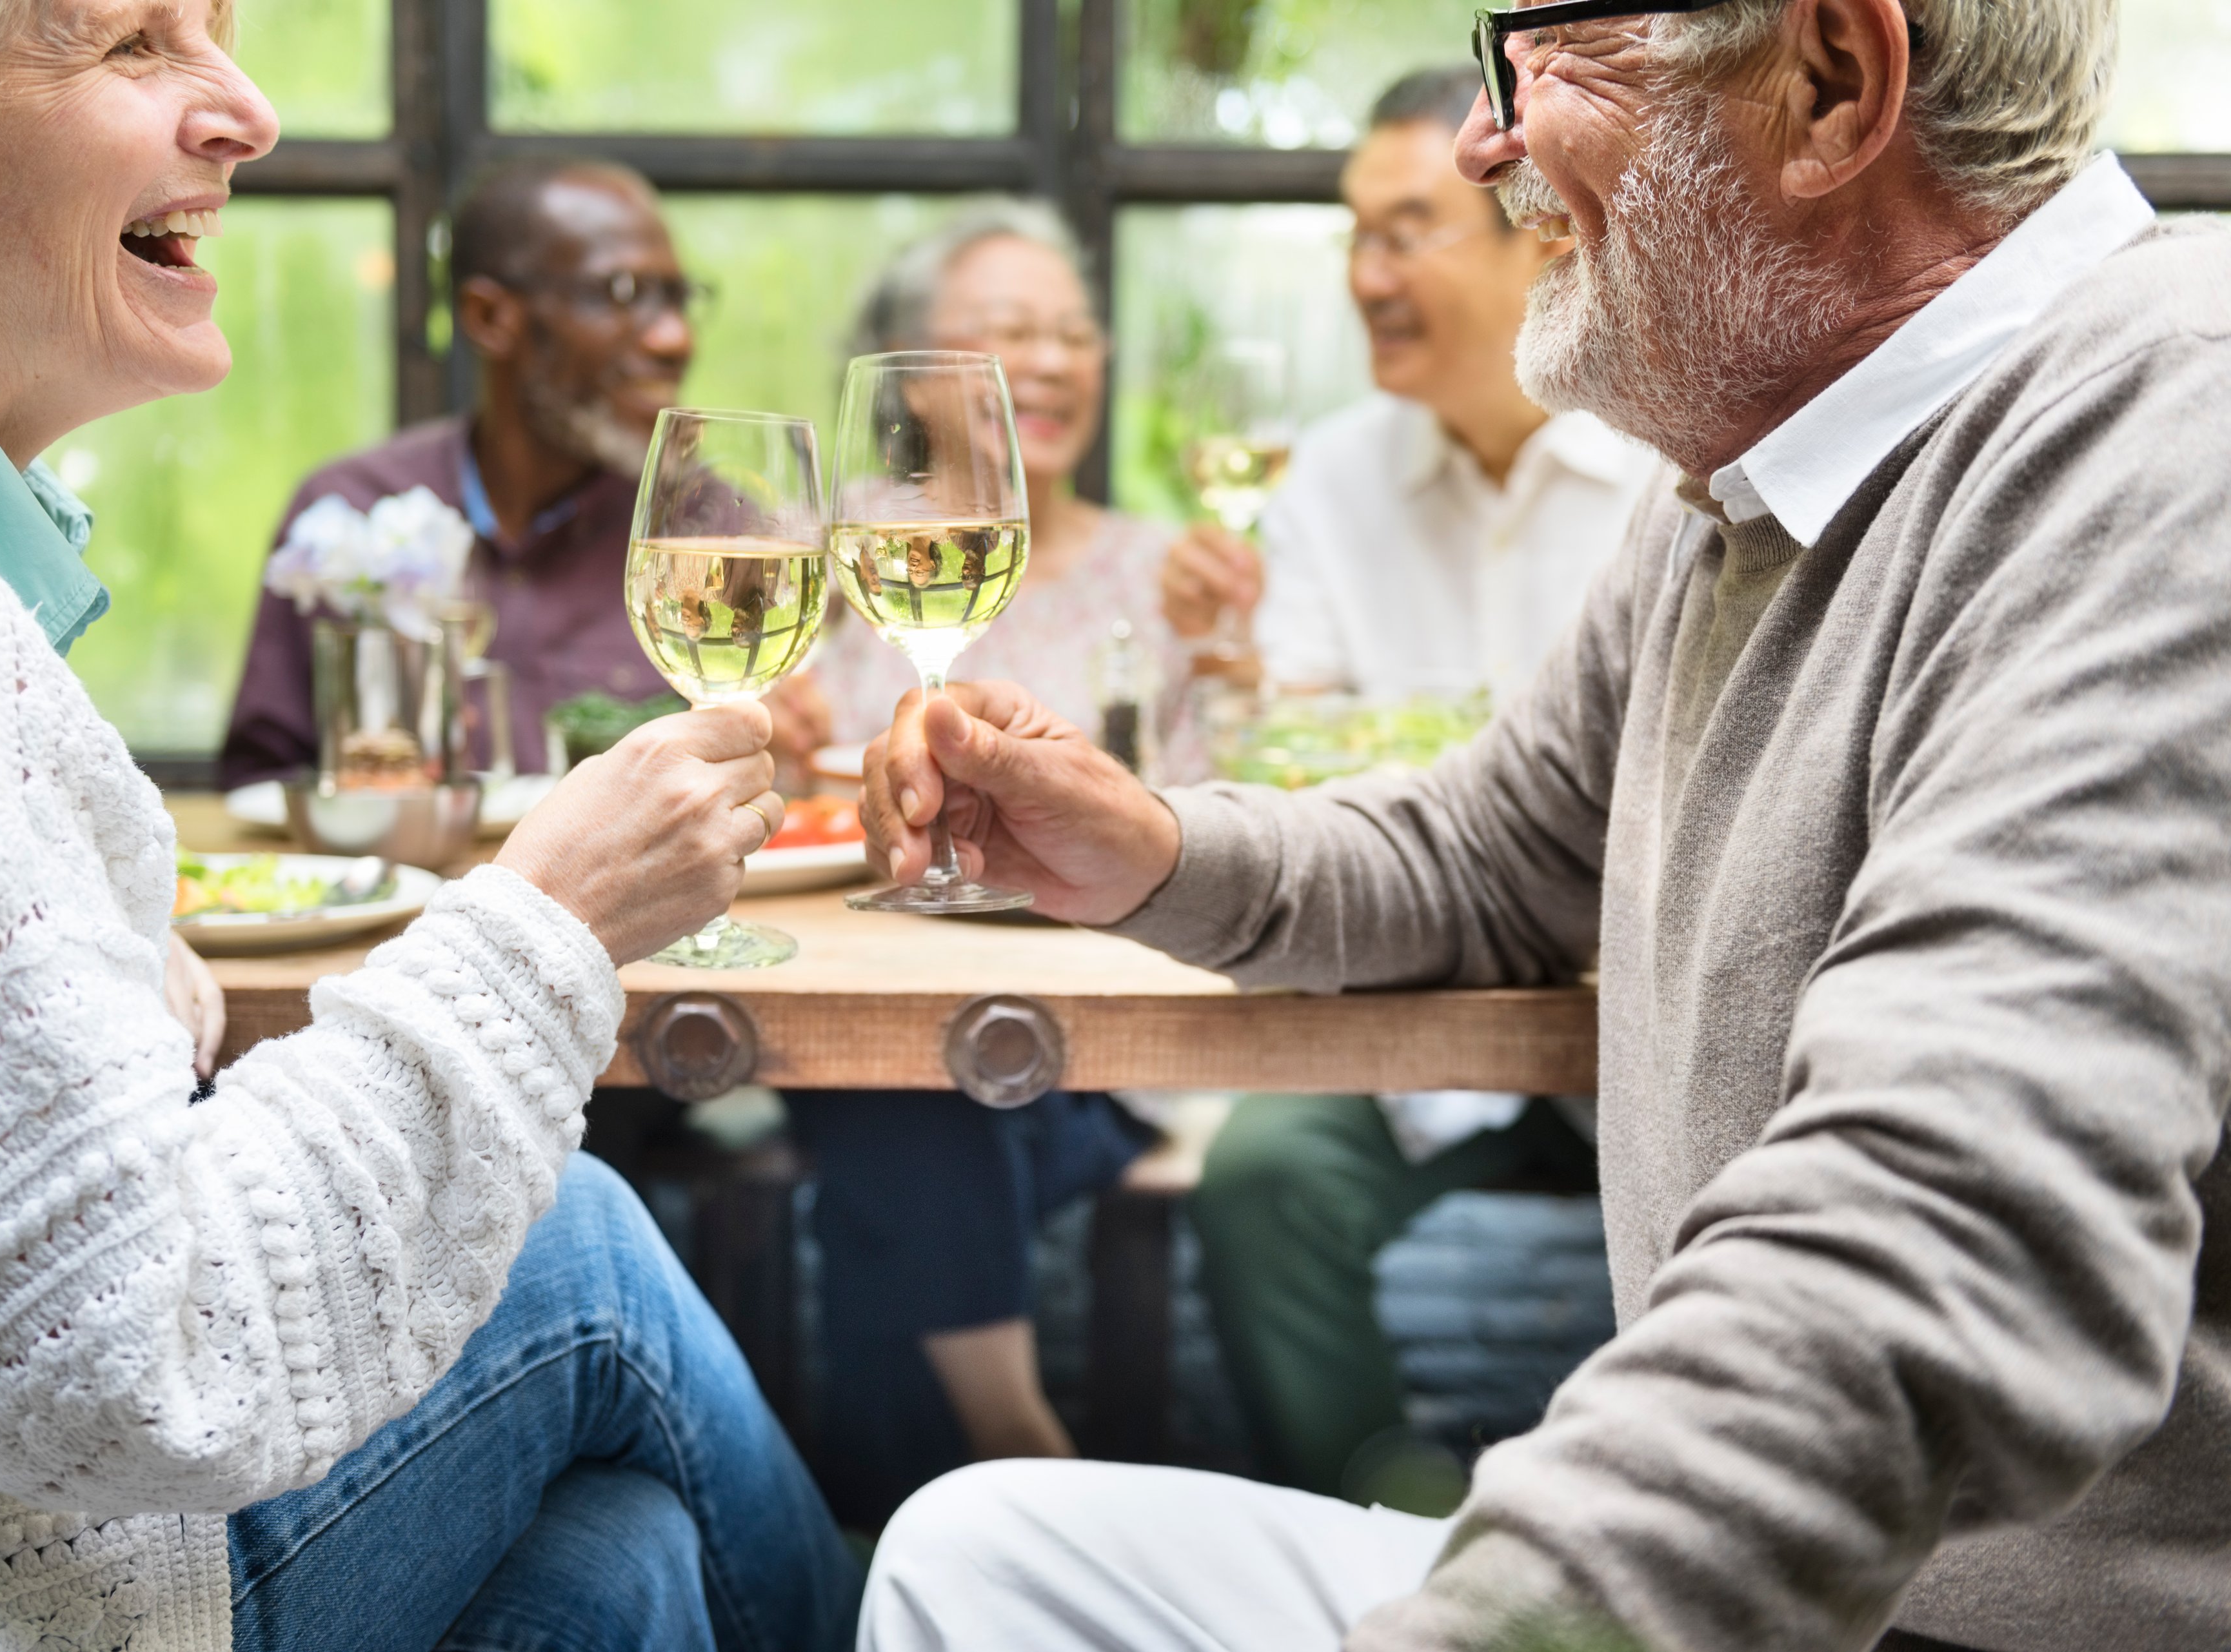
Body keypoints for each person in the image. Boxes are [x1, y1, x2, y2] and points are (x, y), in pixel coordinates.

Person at [853, 0, 2231, 1645]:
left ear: (1827, 81)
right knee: (983, 1550)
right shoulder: (1751, 474)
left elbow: (1944, 1226)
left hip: (1938, 1618)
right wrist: (1147, 847)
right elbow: (1486, 856)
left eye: (1548, 49)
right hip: (1767, 1593)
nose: (1478, 139)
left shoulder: (2166, 436)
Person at [0, 3, 857, 1649]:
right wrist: (542, 919)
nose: (250, 114)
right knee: (589, 1260)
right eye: (136, 44)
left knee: (622, 1566)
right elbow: (130, 1365)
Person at [1159, 65, 1661, 1511]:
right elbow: (1299, 761)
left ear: (1537, 233)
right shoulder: (1325, 481)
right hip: (1425, 986)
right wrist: (1225, 668)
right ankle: (1388, 1516)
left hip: (1635, 1002)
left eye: (1406, 233)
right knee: (1265, 1171)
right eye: (1354, 238)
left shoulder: (1665, 468)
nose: (1368, 277)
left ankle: (1637, 1542)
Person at [770, 200, 1201, 1531]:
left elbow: (1211, 822)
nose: (1060, 361)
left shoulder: (1166, 574)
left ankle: (882, 1530)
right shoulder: (826, 554)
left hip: (1097, 1035)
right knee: (906, 1054)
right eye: (1014, 331)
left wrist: (1236, 670)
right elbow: (772, 787)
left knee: (903, 1081)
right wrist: (761, 735)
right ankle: (1019, 1472)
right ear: (913, 361)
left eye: (1075, 332)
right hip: (864, 1000)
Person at [218, 159, 698, 785]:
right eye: (623, 293)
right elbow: (262, 787)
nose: (674, 338)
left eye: (680, 300)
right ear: (490, 318)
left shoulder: (713, 534)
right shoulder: (346, 514)